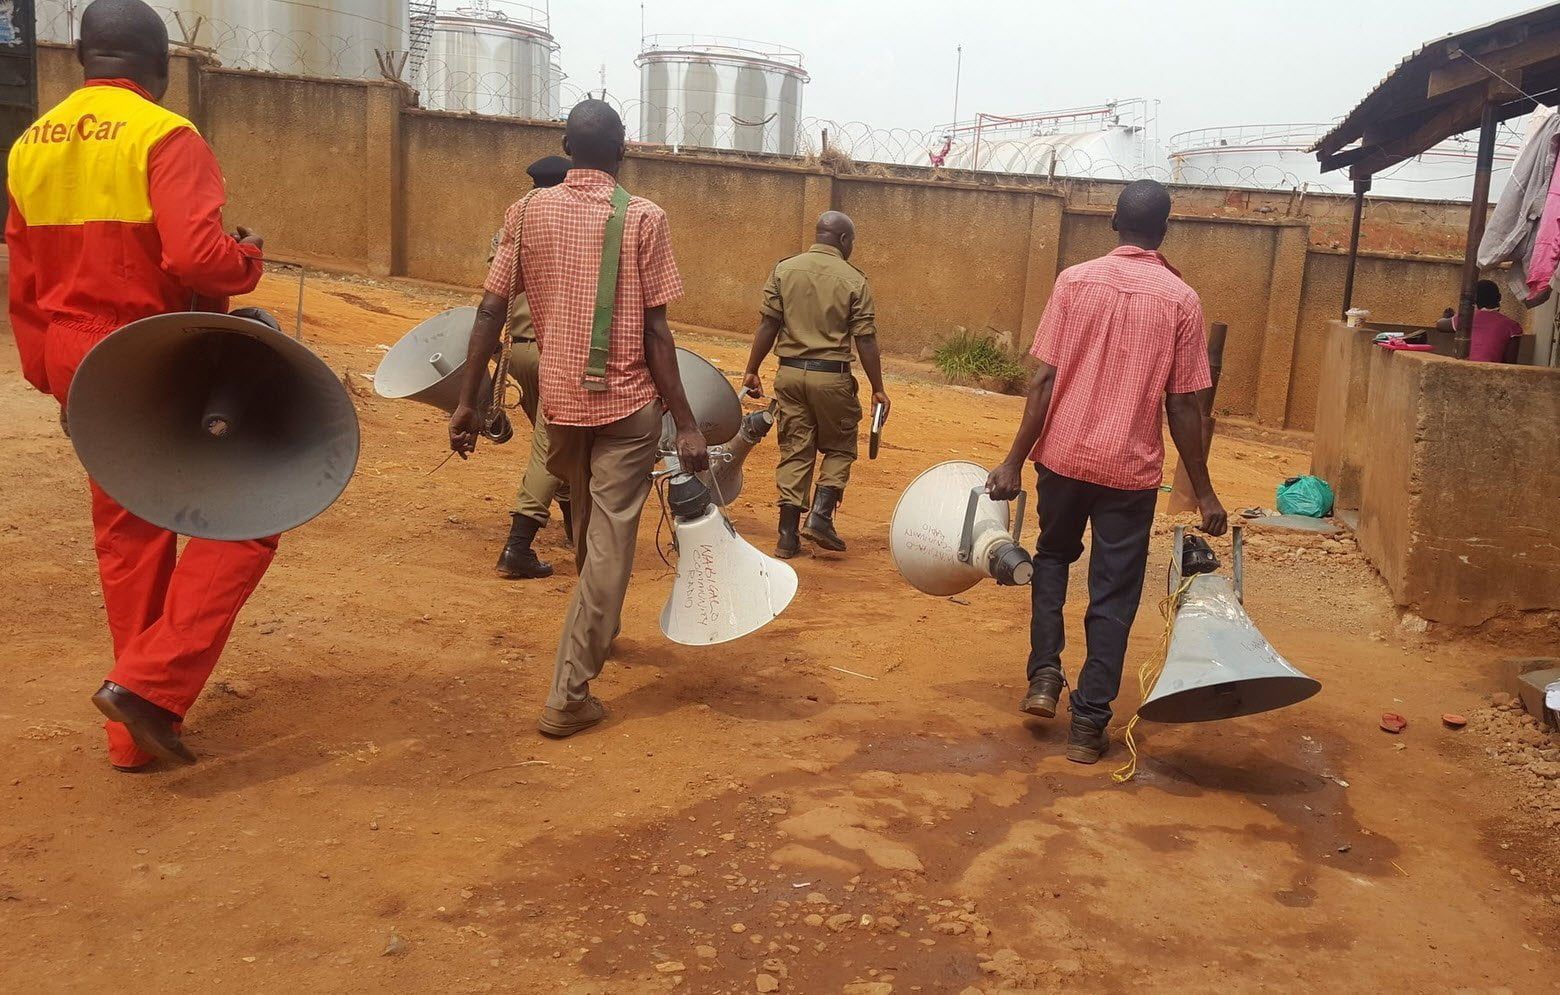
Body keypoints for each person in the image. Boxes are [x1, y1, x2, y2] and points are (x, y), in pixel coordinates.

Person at [6, 0, 270, 770]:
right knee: (250, 512)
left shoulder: (30, 144)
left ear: (82, 59)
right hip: (150, 351)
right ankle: (150, 687)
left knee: (130, 537)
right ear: (160, 68)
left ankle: (131, 739)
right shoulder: (166, 136)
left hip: (75, 357)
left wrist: (60, 383)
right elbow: (194, 257)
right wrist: (246, 258)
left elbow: (23, 281)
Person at [449, 100, 708, 738]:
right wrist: (687, 422)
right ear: (623, 151)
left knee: (590, 525)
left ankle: (601, 628)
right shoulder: (644, 218)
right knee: (609, 546)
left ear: (566, 148)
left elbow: (489, 310)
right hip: (627, 408)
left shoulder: (525, 212)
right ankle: (568, 695)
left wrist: (467, 399)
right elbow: (657, 333)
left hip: (560, 406)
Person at [986, 179, 1228, 765]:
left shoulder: (1074, 282)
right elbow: (1184, 406)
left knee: (1051, 558)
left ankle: (1045, 676)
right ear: (1164, 230)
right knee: (1113, 590)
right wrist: (1205, 492)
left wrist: (1014, 458)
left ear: (1114, 222)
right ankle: (1089, 723)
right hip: (1129, 471)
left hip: (1063, 458)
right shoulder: (1182, 301)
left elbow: (1042, 380)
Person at [740, 212, 890, 558]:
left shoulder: (784, 269)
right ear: (844, 240)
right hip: (832, 377)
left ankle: (786, 536)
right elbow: (865, 339)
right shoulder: (854, 280)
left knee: (796, 448)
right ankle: (821, 516)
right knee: (840, 447)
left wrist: (752, 369)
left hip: (789, 375)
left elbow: (768, 324)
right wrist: (878, 388)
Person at [492, 154, 573, 579]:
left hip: (517, 353)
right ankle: (518, 545)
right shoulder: (572, 227)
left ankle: (575, 528)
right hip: (556, 352)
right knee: (550, 446)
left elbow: (494, 299)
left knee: (558, 443)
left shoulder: (515, 225)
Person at [1434, 280, 1523, 363]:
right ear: (1499, 297)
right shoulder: (1512, 326)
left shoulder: (1467, 318)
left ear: (1475, 300)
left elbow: (1440, 325)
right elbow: (1510, 363)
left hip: (1465, 368)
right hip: (1493, 371)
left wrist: (1448, 317)